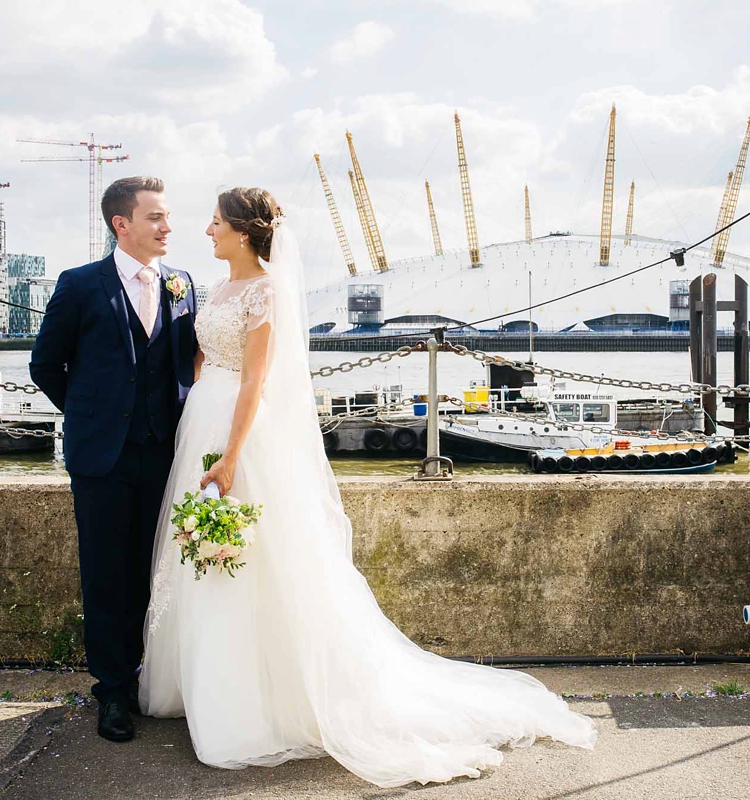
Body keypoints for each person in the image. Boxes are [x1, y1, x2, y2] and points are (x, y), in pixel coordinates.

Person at [140, 187, 595, 788]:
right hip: (202, 416)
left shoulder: (265, 292)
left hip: (238, 435)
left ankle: (259, 703)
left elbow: (256, 382)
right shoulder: (216, 289)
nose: (207, 230)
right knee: (207, 556)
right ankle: (205, 687)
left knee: (254, 556)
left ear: (244, 232)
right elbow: (205, 362)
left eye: (217, 222)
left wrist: (230, 456)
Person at [30, 176, 199, 743]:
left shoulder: (183, 283)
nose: (168, 226)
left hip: (166, 453)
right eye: (155, 217)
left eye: (168, 216)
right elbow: (46, 365)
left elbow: (184, 363)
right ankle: (113, 693)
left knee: (161, 573)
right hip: (102, 459)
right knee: (107, 576)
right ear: (120, 224)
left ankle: (158, 680)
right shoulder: (79, 285)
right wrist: (93, 414)